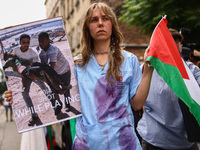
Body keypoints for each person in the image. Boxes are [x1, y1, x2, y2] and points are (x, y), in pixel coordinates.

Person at [72, 2, 153, 149]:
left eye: (105, 18)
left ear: (113, 24)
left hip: (123, 144)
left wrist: (148, 71)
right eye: (94, 20)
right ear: (87, 28)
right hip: (88, 144)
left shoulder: (129, 61)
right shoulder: (76, 65)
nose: (100, 23)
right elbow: (59, 103)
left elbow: (137, 104)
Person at [137, 28, 200, 150]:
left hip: (174, 141)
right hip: (164, 142)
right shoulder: (144, 71)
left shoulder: (192, 71)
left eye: (179, 45)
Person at [12, 34, 53, 126]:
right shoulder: (16, 50)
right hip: (24, 76)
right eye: (23, 42)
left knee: (44, 88)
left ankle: (54, 102)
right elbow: (14, 61)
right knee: (25, 94)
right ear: (20, 42)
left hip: (33, 74)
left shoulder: (33, 53)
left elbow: (35, 67)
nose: (26, 44)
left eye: (28, 42)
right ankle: (34, 115)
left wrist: (34, 75)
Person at [38, 32, 72, 113]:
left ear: (48, 40)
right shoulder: (41, 53)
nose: (41, 43)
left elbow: (51, 68)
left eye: (43, 41)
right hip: (53, 72)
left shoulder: (53, 50)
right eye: (39, 41)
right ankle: (58, 106)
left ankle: (67, 104)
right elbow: (44, 66)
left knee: (65, 88)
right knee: (53, 90)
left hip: (64, 71)